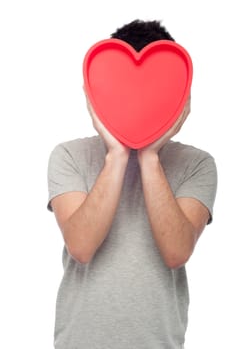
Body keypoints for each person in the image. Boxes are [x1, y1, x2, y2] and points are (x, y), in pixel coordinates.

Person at [47, 19, 217, 349]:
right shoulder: (68, 156)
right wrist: (118, 152)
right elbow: (80, 247)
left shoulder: (197, 165)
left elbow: (176, 252)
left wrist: (150, 155)